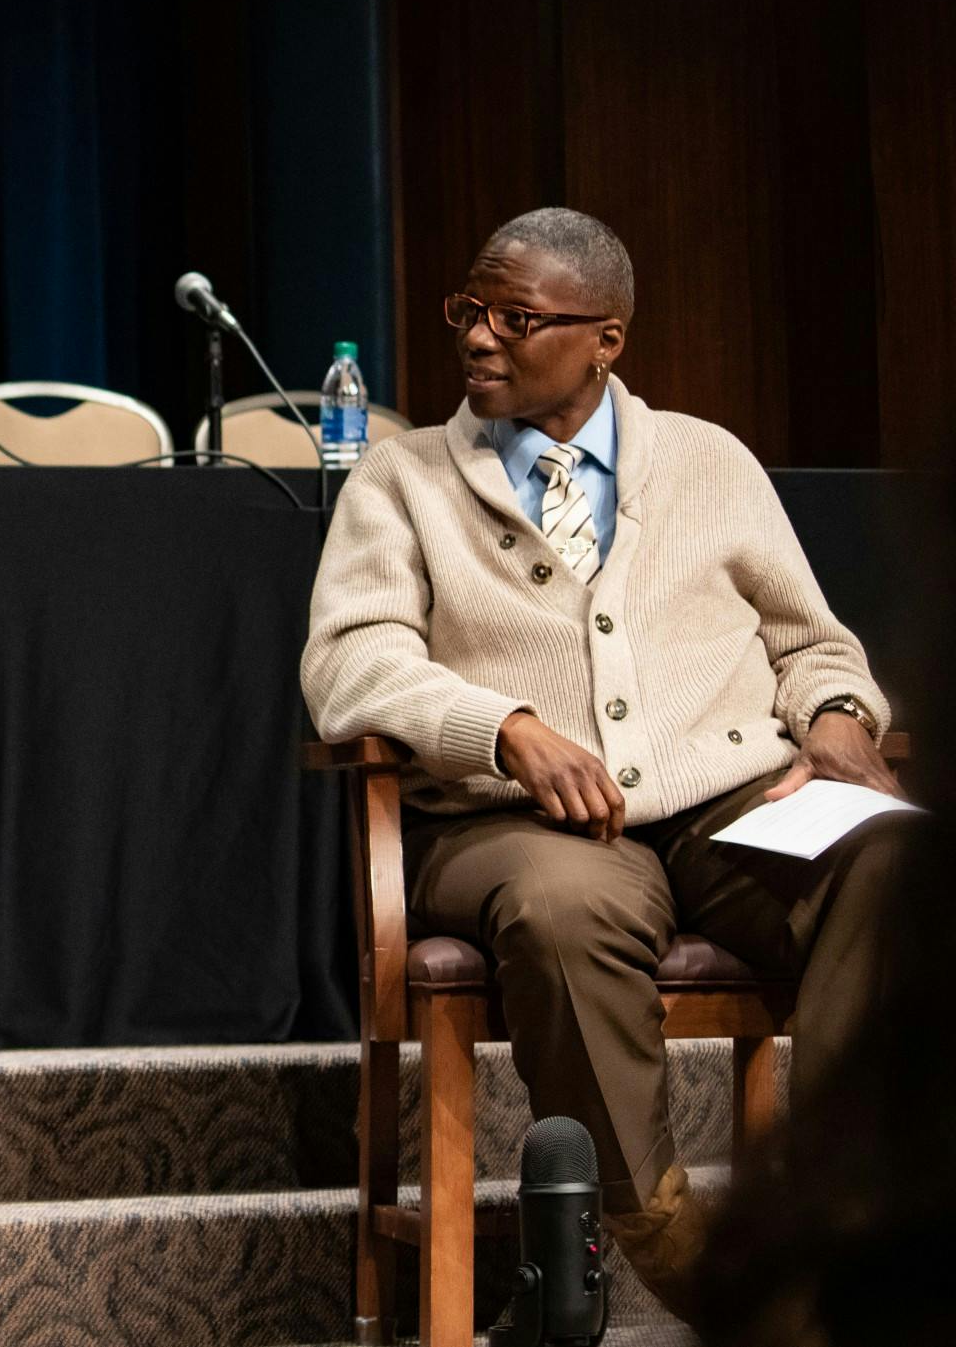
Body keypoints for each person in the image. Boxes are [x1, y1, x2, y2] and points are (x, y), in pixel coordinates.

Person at [300, 207, 905, 1314]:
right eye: (466, 310)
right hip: (510, 824)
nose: (476, 337)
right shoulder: (401, 478)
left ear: (605, 339)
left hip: (725, 803)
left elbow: (810, 641)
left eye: (514, 317)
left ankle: (854, 1200)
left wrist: (831, 712)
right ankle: (672, 1241)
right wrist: (504, 725)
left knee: (891, 851)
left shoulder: (707, 460)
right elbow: (349, 665)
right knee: (562, 907)